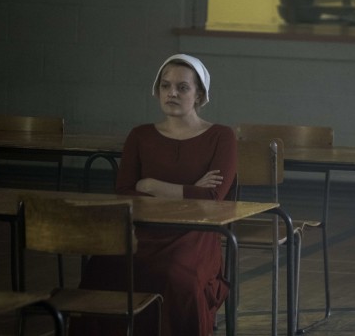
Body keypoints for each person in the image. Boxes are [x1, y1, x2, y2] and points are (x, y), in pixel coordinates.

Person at [72, 54, 238, 336]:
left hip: (195, 232)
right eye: (165, 86)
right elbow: (125, 192)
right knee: (101, 268)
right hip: (144, 229)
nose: (172, 93)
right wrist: (190, 189)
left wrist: (150, 184)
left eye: (182, 87)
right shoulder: (140, 135)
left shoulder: (221, 136)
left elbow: (212, 197)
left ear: (199, 95)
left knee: (177, 276)